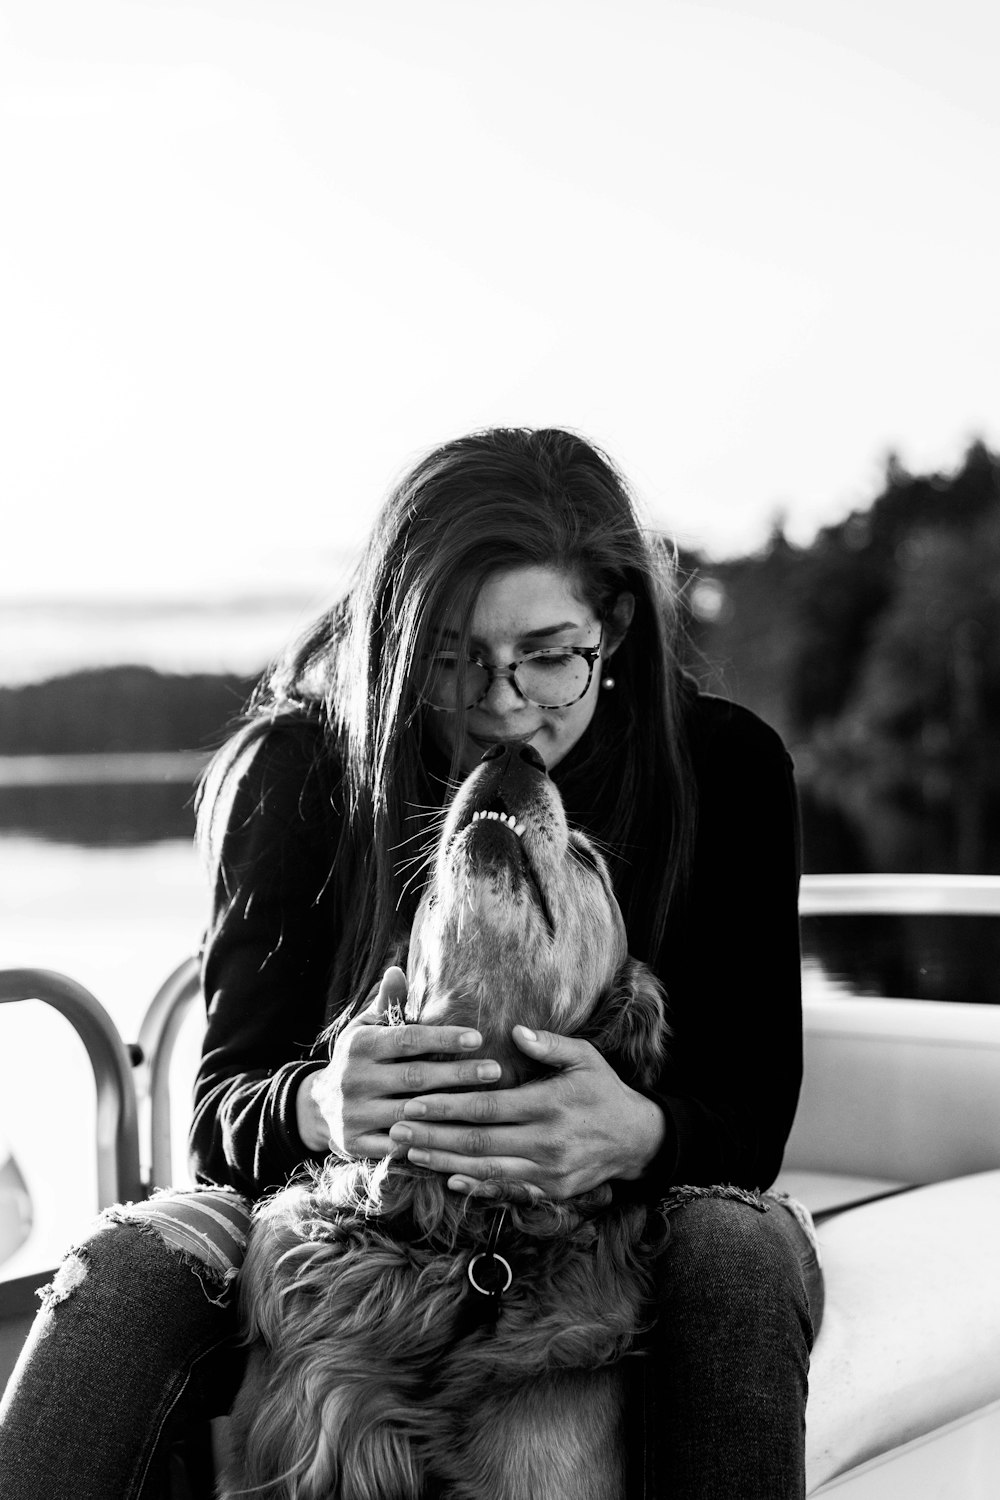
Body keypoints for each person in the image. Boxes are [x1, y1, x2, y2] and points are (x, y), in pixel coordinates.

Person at [0, 427, 821, 1499]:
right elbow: (220, 1114)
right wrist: (321, 1106)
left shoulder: (726, 766)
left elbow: (750, 1120)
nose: (501, 701)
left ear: (612, 626)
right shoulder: (299, 771)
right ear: (397, 640)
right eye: (451, 655)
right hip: (324, 1194)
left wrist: (637, 1129)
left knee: (737, 1252)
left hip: (633, 1207)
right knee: (124, 1267)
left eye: (548, 652)